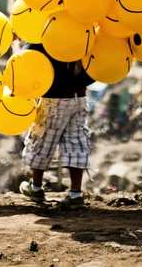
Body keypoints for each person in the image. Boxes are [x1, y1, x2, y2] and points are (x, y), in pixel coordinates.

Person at [19, 43, 94, 208]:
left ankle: (36, 188)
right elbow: (95, 68)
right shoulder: (83, 35)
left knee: (42, 140)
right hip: (79, 98)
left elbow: (27, 59)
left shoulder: (45, 39)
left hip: (53, 99)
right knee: (76, 142)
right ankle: (75, 193)